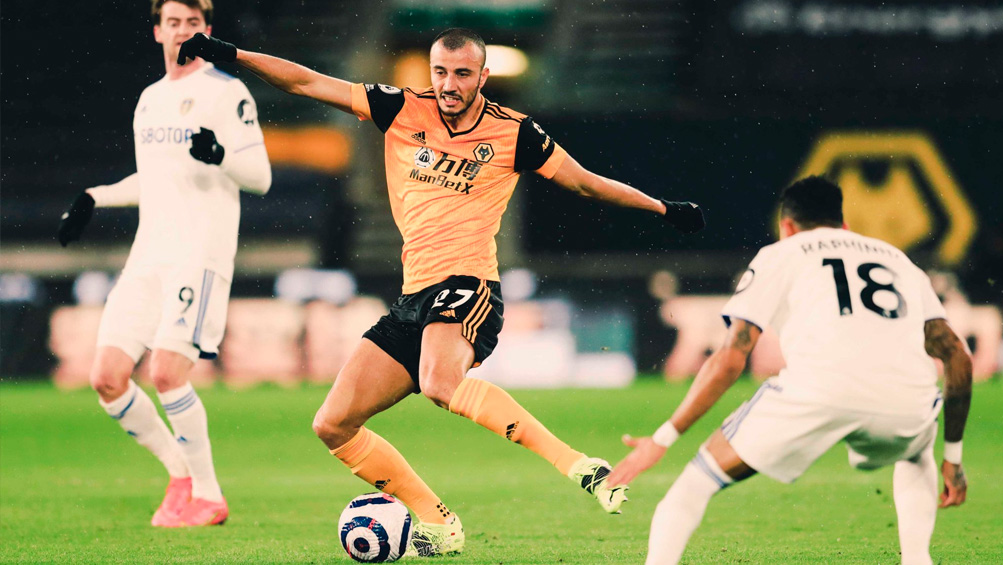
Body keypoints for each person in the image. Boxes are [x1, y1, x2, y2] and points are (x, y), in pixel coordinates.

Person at [176, 27, 704, 555]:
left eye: (462, 74)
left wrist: (662, 208)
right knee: (333, 424)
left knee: (439, 383)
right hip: (414, 299)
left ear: (483, 76)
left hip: (469, 285)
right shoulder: (400, 108)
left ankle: (581, 467)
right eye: (440, 72)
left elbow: (584, 181)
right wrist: (233, 54)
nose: (449, 85)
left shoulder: (516, 133)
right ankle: (438, 522)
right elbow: (307, 82)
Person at [608, 176, 972, 565]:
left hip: (818, 391)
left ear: (787, 226)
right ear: (844, 224)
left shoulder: (781, 254)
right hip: (906, 400)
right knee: (917, 451)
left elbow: (731, 357)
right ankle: (917, 559)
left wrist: (663, 437)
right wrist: (953, 456)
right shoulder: (899, 261)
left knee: (693, 486)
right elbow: (957, 357)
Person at [57, 0, 271, 527]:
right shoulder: (150, 99)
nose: (182, 32)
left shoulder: (227, 92)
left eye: (193, 24)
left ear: (207, 31)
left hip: (198, 253)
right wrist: (95, 197)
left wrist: (221, 155)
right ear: (157, 31)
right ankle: (181, 476)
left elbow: (261, 176)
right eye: (173, 23)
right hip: (149, 254)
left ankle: (209, 496)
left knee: (167, 373)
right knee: (107, 378)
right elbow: (155, 180)